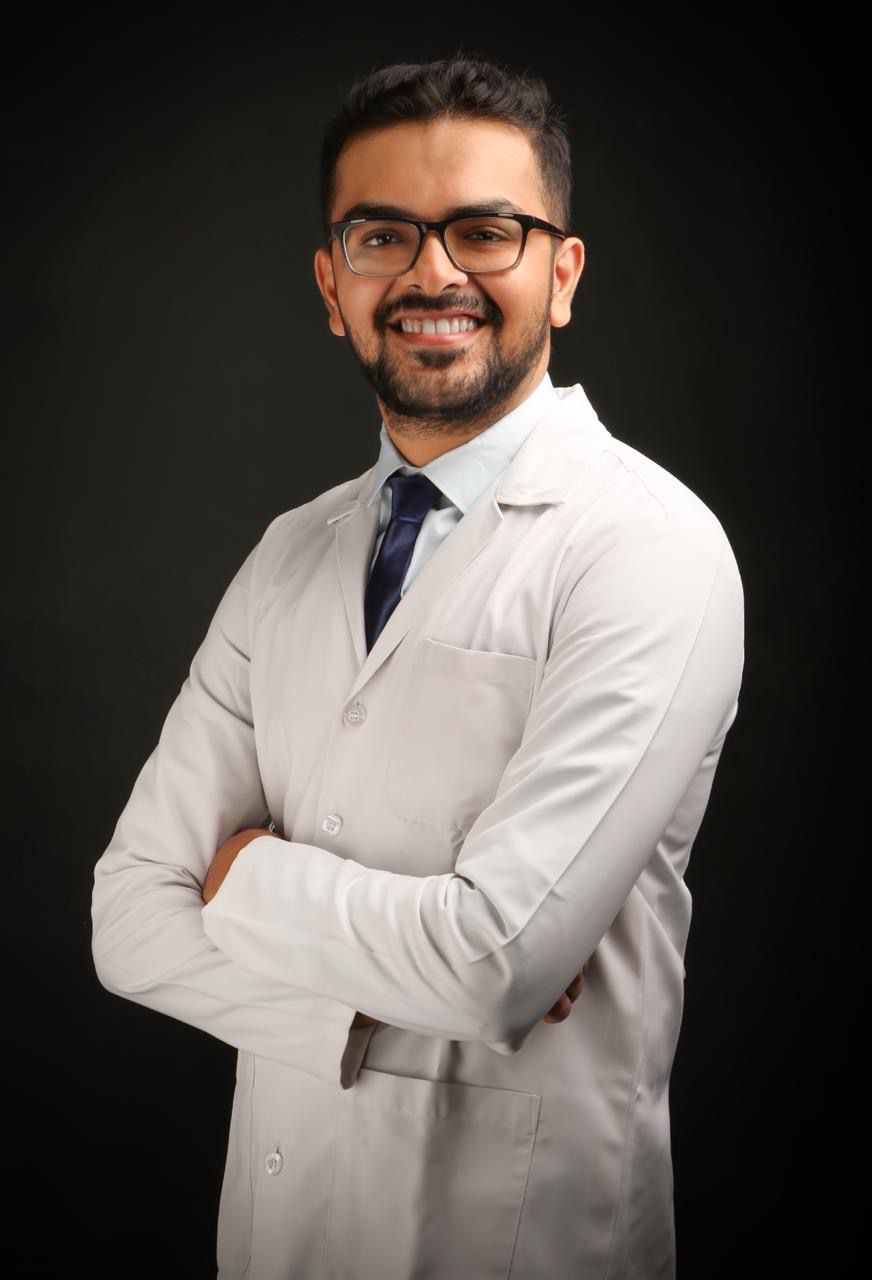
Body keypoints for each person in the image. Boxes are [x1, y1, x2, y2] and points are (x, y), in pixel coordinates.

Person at [91, 54, 745, 1280]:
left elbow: (493, 968)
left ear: (561, 274)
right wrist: (395, 982)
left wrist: (239, 877)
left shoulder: (647, 546)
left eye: (484, 231)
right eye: (383, 234)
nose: (432, 273)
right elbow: (126, 919)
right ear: (332, 285)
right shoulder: (289, 552)